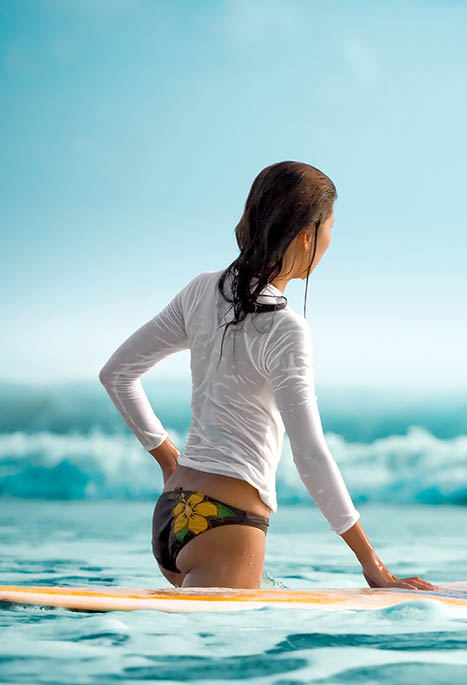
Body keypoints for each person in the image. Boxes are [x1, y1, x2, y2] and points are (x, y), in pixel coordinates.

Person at [99, 160, 436, 592]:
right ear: (306, 236)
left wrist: (167, 457)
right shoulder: (285, 329)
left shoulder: (201, 289)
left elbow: (116, 374)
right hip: (227, 526)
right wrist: (373, 565)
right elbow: (310, 455)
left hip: (171, 513)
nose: (332, 240)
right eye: (331, 227)